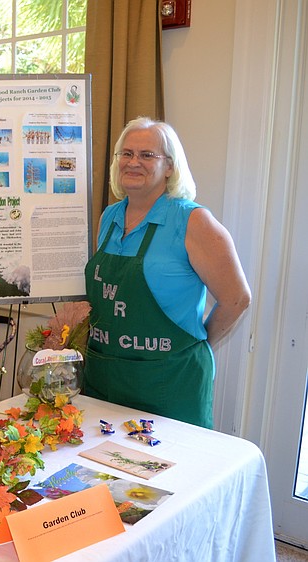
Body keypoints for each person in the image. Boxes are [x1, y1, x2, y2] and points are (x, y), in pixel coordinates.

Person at [83, 116, 251, 428]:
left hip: (169, 386)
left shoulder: (194, 221)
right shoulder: (109, 216)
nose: (134, 163)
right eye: (127, 154)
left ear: (170, 167)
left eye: (147, 155)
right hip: (104, 382)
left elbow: (237, 298)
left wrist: (189, 347)